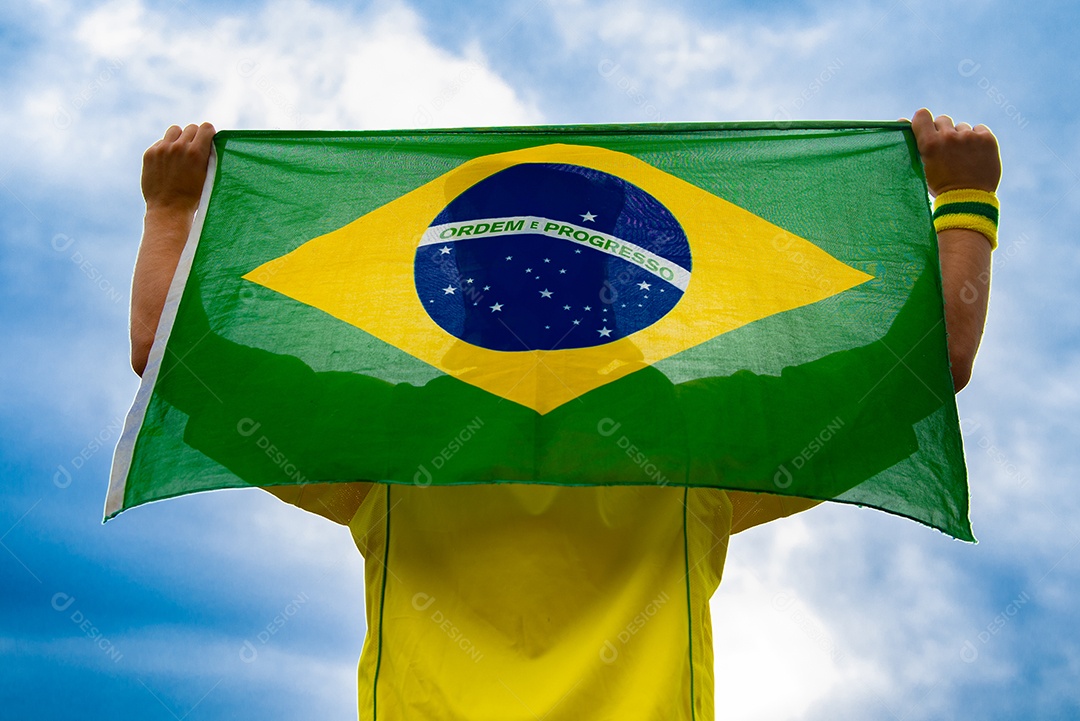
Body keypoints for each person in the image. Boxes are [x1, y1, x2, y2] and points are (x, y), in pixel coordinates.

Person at [130, 109, 1000, 720]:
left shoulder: (387, 444)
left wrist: (172, 211)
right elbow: (929, 367)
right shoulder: (707, 442)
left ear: (452, 291)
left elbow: (170, 361)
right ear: (627, 294)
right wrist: (965, 198)